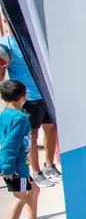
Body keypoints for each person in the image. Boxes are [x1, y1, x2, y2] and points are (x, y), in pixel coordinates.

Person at [0, 80, 56, 219]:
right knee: (21, 196)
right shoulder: (20, 118)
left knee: (34, 190)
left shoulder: (5, 114)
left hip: (16, 166)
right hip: (17, 167)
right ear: (23, 98)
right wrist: (8, 167)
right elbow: (11, 143)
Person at [0, 30, 59, 188]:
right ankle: (36, 172)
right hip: (27, 97)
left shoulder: (33, 35)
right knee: (32, 135)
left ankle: (49, 166)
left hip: (46, 93)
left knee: (51, 129)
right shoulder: (5, 44)